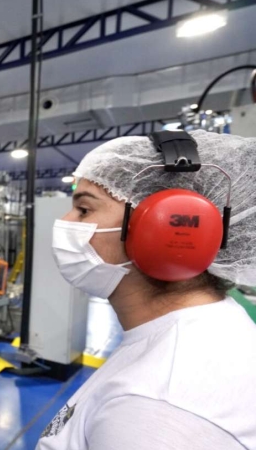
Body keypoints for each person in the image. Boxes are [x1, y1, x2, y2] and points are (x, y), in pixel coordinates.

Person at [36, 130, 256, 450]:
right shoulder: (204, 327)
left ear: (164, 227)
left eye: (84, 209)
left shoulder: (157, 411)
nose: (66, 220)